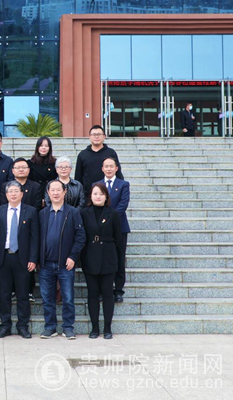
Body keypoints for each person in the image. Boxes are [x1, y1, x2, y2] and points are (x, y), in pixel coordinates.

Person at [0, 181, 39, 339]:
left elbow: (35, 238)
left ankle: (22, 326)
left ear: (22, 194)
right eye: (10, 191)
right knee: (4, 294)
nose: (13, 194)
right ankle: (5, 326)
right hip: (3, 257)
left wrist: (33, 259)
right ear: (6, 195)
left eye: (16, 191)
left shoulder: (31, 211)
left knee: (23, 294)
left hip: (22, 258)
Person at [38, 180, 85, 339]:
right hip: (45, 264)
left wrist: (73, 257)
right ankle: (50, 327)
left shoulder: (73, 212)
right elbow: (36, 238)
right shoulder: (43, 213)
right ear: (48, 193)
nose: (56, 193)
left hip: (66, 264)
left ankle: (68, 327)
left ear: (65, 192)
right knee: (47, 299)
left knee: (68, 298)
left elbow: (80, 237)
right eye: (52, 190)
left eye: (59, 190)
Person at [80, 183, 124, 340]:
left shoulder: (113, 213)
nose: (98, 196)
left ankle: (107, 328)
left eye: (101, 194)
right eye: (95, 194)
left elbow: (118, 238)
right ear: (90, 196)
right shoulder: (84, 213)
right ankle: (94, 328)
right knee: (92, 294)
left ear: (106, 197)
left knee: (107, 294)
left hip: (108, 257)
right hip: (90, 256)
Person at [0, 157, 42, 302]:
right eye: (18, 167)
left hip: (26, 230)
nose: (21, 169)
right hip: (6, 246)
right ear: (12, 170)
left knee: (24, 282)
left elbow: (37, 207)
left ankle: (28, 293)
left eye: (24, 167)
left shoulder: (35, 187)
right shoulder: (5, 189)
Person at [95, 157, 130, 303]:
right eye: (106, 166)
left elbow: (123, 204)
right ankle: (102, 290)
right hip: (101, 228)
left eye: (111, 166)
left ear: (116, 168)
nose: (109, 169)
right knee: (102, 258)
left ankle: (118, 290)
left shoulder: (123, 184)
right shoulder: (97, 185)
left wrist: (109, 219)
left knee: (119, 257)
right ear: (102, 169)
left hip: (119, 227)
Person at [74, 125, 124, 199]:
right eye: (94, 134)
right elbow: (78, 177)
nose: (96, 137)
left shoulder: (111, 153)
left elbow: (118, 173)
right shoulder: (82, 154)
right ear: (89, 137)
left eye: (99, 134)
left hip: (108, 194)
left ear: (104, 137)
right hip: (88, 195)